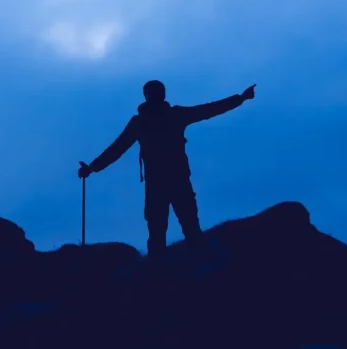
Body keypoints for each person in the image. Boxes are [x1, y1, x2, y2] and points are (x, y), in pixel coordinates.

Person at [78, 81, 256, 258]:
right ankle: (166, 274)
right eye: (154, 92)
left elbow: (209, 110)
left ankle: (191, 270)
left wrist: (240, 98)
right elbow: (117, 148)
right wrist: (92, 167)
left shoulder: (164, 117)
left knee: (184, 229)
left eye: (158, 91)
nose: (157, 94)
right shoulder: (149, 120)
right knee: (164, 232)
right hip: (163, 183)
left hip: (172, 181)